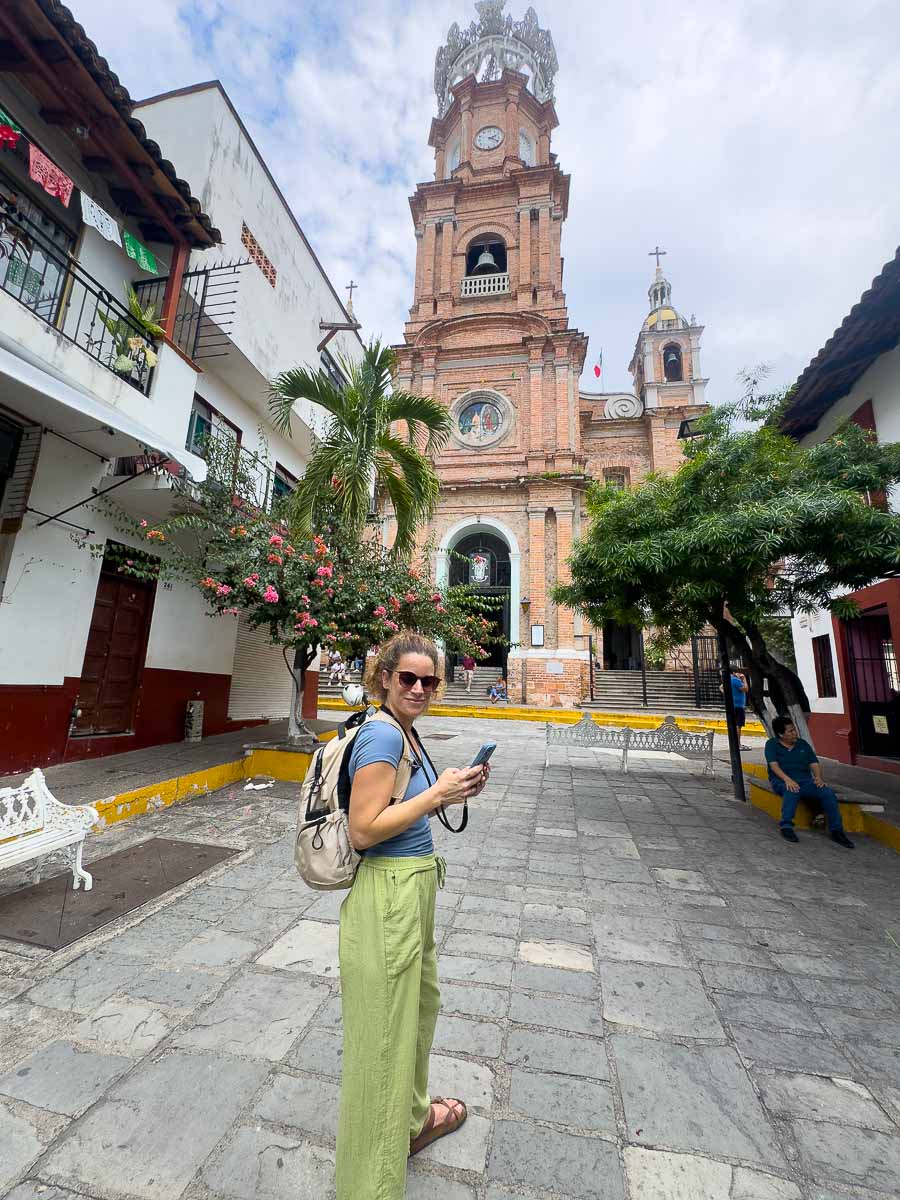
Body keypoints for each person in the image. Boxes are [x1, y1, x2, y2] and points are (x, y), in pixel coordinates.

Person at [336, 631, 489, 1199]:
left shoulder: (405, 732)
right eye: (408, 678)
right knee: (384, 1040)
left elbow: (409, 809)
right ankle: (367, 1187)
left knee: (418, 1015)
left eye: (429, 680)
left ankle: (413, 1122)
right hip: (390, 896)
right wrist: (437, 795)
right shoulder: (380, 734)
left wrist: (454, 790)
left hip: (414, 889)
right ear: (384, 678)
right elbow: (363, 828)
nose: (420, 688)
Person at [764, 716, 854, 848]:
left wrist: (818, 777)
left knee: (827, 793)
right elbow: (773, 765)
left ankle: (837, 831)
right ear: (781, 734)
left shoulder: (802, 744)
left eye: (794, 730)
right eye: (790, 731)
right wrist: (787, 780)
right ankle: (786, 826)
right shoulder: (772, 744)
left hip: (806, 780)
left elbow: (813, 762)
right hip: (782, 780)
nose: (795, 733)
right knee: (792, 790)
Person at [731, 671, 749, 749]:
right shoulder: (735, 680)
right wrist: (744, 679)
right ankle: (737, 744)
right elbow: (745, 689)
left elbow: (721, 687)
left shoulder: (727, 680)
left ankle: (735, 743)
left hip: (733, 705)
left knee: (735, 725)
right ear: (734, 672)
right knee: (738, 725)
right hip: (738, 706)